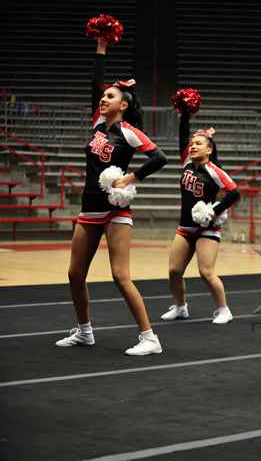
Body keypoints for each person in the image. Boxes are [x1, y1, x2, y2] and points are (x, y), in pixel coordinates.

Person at [56, 38, 168, 355]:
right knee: (75, 274)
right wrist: (101, 48)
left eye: (110, 96)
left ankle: (150, 338)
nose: (103, 99)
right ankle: (84, 331)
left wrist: (130, 178)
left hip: (115, 211)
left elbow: (159, 158)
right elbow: (95, 83)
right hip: (89, 208)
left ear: (124, 105)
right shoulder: (98, 123)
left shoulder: (128, 131)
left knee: (120, 275)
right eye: (103, 96)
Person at [160, 109, 241, 324]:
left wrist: (214, 211)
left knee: (206, 272)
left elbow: (235, 193)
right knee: (174, 270)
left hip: (207, 229)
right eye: (192, 144)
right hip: (185, 228)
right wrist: (184, 114)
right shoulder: (186, 163)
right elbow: (182, 137)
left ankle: (224, 310)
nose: (193, 146)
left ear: (209, 149)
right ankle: (180, 307)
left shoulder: (214, 171)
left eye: (198, 144)